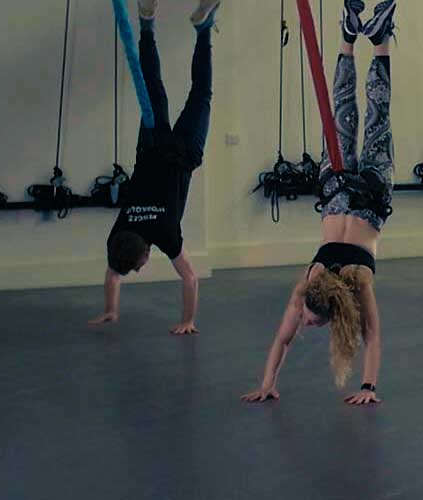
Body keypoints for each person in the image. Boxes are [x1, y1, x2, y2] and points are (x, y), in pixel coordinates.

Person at [240, 0, 398, 406]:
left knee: (375, 115)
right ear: (328, 308)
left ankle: (373, 40)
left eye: (305, 320)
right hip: (338, 192)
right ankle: (350, 39)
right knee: (344, 110)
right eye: (312, 320)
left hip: (366, 198)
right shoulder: (322, 283)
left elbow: (287, 340)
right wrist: (367, 388)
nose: (304, 324)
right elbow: (371, 337)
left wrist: (268, 383)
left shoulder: (335, 284)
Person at [89, 0, 220, 336]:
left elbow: (190, 278)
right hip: (152, 145)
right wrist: (109, 308)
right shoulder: (119, 232)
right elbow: (112, 272)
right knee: (152, 87)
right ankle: (147, 24)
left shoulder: (164, 232)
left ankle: (203, 31)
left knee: (201, 93)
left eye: (139, 266)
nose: (140, 267)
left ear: (146, 253)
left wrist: (188, 321)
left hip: (184, 154)